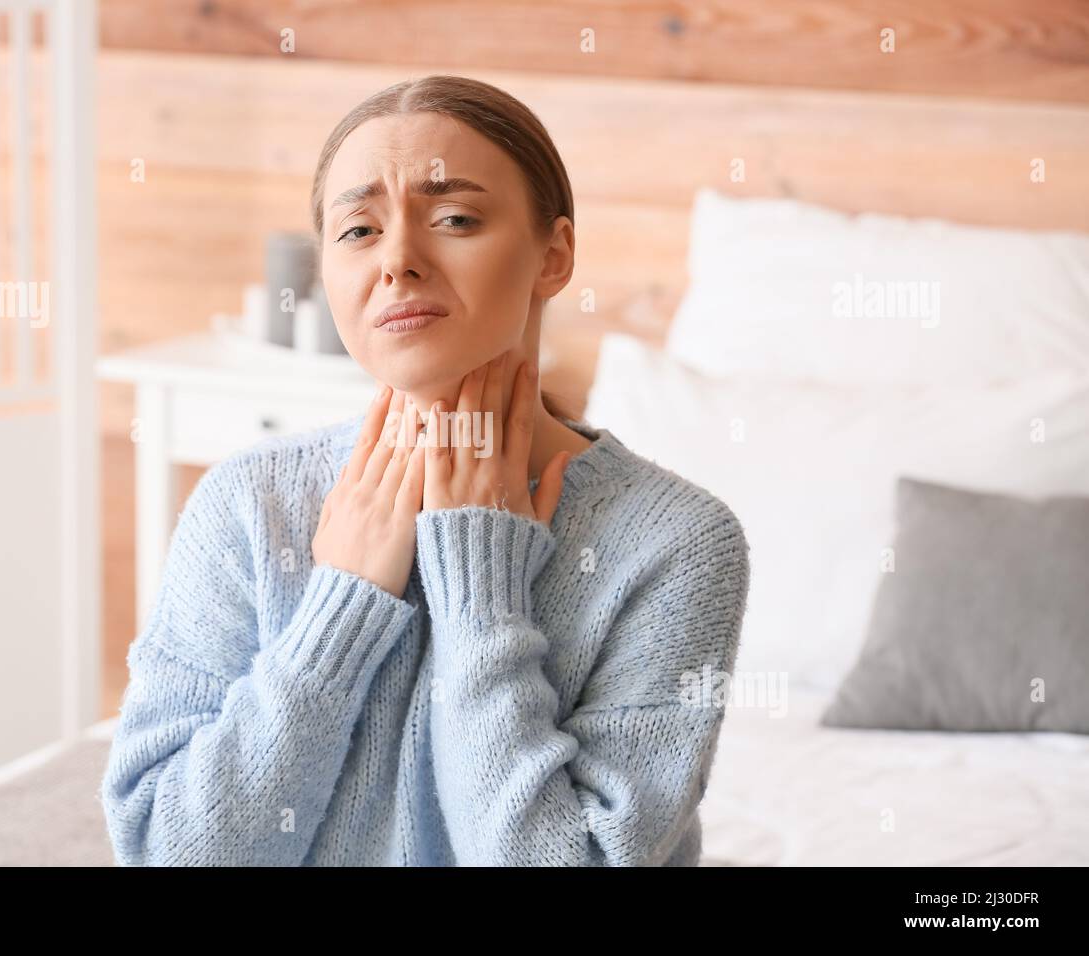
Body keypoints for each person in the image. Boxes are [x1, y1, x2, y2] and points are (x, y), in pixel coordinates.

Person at [100, 74, 751, 866]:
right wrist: (340, 608)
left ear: (555, 254)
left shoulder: (679, 544)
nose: (399, 261)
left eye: (455, 218)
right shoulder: (247, 505)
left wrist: (479, 582)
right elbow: (171, 854)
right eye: (357, 231)